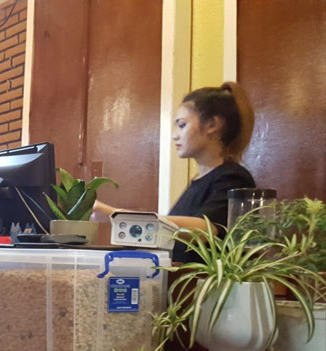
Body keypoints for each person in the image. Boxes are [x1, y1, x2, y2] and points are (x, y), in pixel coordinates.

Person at [94, 81, 256, 262]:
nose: (174, 135)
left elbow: (205, 229)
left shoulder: (233, 178)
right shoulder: (201, 181)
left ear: (212, 124)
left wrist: (114, 214)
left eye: (182, 125)